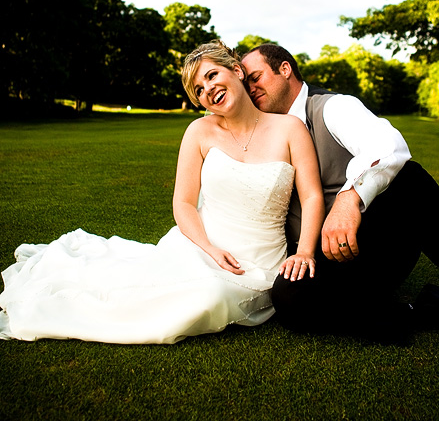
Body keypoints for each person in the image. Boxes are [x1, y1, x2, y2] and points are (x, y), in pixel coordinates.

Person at [0, 41, 324, 344]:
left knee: (208, 297)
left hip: (260, 261)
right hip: (198, 246)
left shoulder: (289, 129)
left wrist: (305, 251)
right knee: (146, 289)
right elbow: (183, 203)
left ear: (236, 71)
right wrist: (209, 248)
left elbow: (311, 196)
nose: (209, 88)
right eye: (199, 89)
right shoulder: (199, 131)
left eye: (212, 75)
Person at [241, 43, 439, 376]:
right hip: (320, 259)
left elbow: (387, 146)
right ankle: (421, 311)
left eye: (256, 77)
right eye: (246, 83)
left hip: (373, 242)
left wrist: (350, 198)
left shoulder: (332, 107)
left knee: (408, 178)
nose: (251, 88)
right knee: (290, 301)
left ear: (285, 70)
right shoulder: (262, 131)